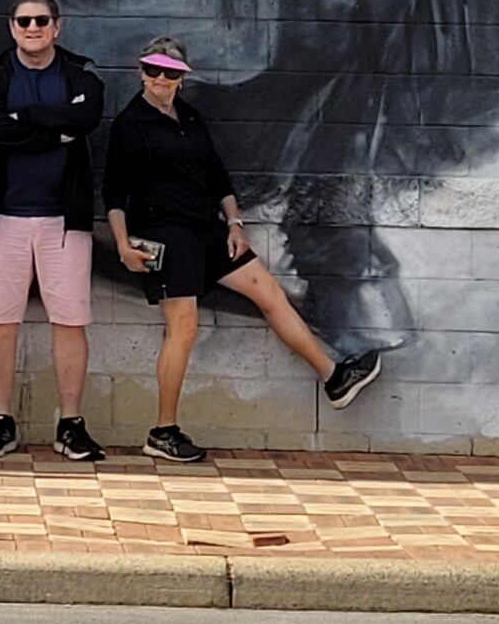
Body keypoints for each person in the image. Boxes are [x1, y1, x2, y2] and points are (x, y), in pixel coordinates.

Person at [104, 37, 384, 462]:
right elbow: (114, 190)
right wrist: (123, 243)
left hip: (207, 230)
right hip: (165, 234)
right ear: (141, 72)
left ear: (183, 78)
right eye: (154, 70)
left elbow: (217, 176)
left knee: (268, 292)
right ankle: (163, 431)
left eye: (172, 72)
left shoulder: (191, 118)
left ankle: (334, 378)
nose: (162, 79)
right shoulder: (130, 124)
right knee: (183, 327)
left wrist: (234, 222)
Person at [0, 0, 107, 462]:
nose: (33, 29)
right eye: (24, 21)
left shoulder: (80, 71)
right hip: (3, 216)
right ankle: (1, 421)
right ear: (12, 27)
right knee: (0, 322)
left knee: (69, 321)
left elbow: (86, 116)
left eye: (41, 21)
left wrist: (23, 117)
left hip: (63, 220)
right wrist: (55, 128)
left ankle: (70, 424)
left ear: (57, 25)